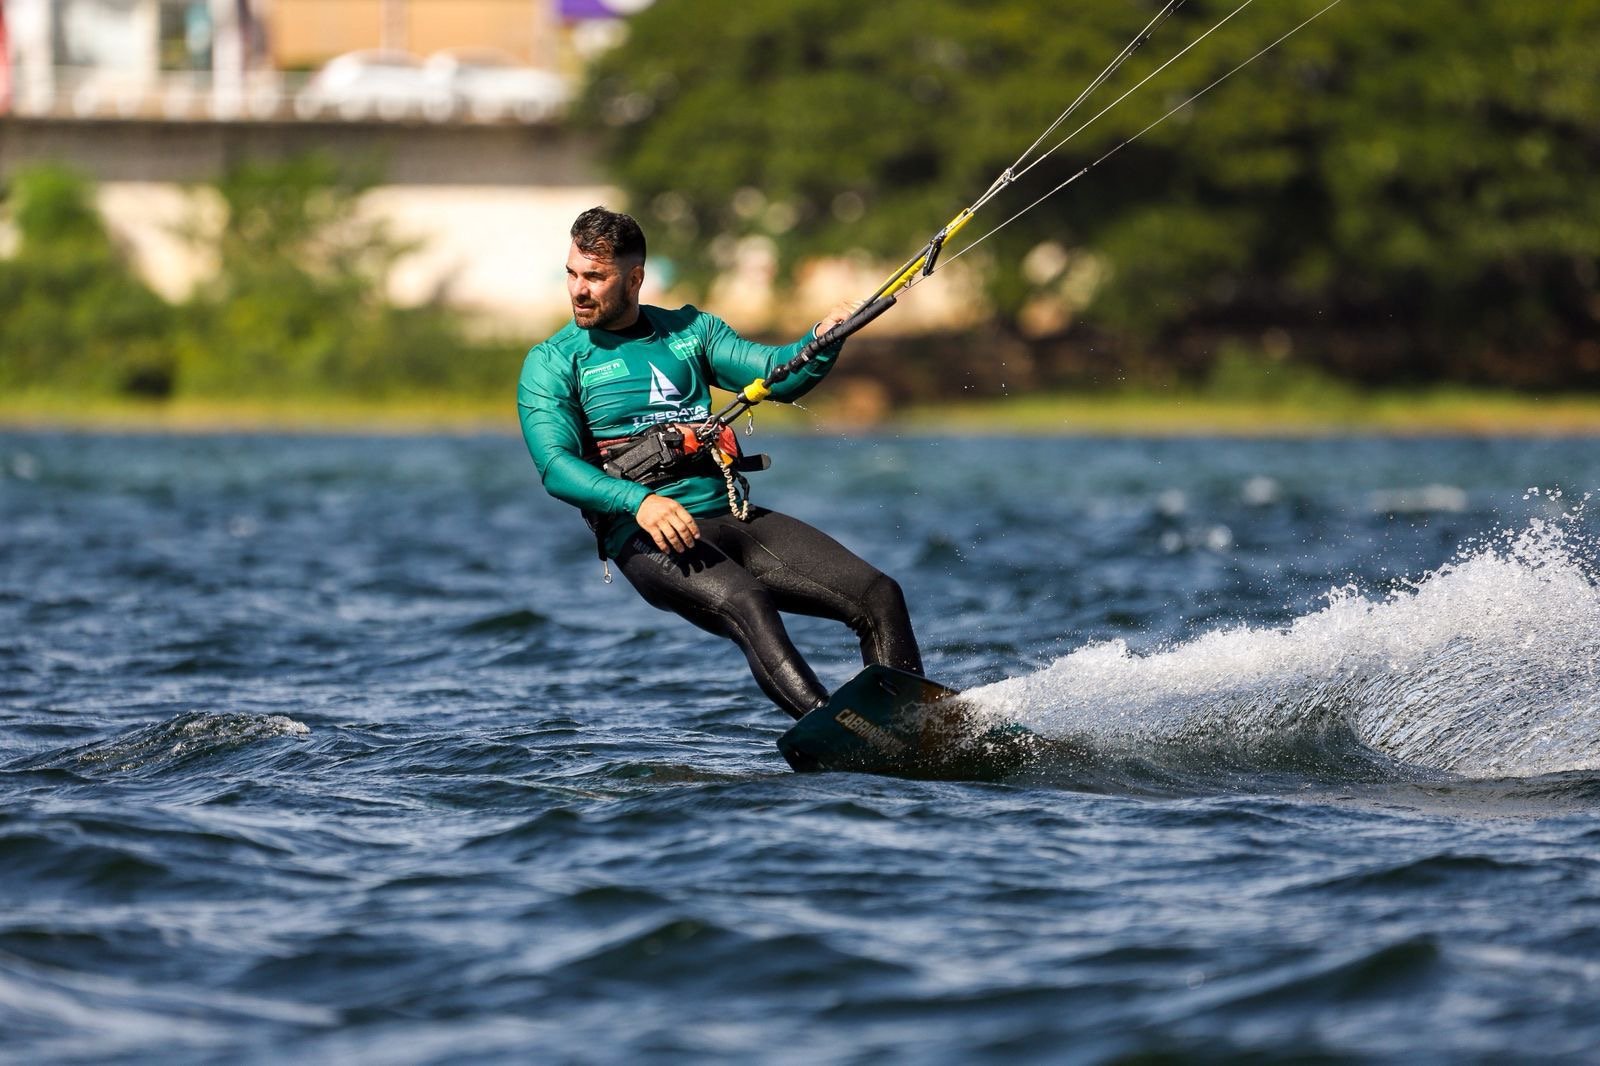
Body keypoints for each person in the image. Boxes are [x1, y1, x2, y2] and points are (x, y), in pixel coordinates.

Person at [518, 206, 923, 720]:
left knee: (879, 595)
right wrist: (639, 502)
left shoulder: (692, 331)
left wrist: (825, 336)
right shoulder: (555, 361)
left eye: (596, 277)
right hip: (648, 536)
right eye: (572, 274)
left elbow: (782, 375)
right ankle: (835, 729)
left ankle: (907, 725)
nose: (579, 289)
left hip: (732, 517)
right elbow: (555, 466)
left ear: (635, 277)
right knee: (749, 603)